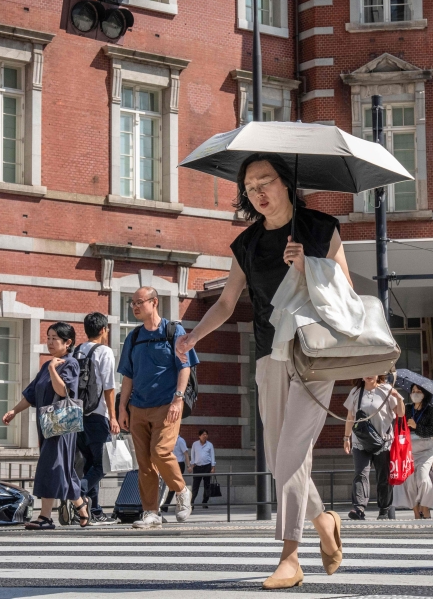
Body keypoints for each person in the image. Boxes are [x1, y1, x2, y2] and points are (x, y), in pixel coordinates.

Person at [174, 153, 345, 589]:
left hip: (314, 353)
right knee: (279, 453)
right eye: (250, 188)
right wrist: (194, 337)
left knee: (291, 451)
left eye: (265, 181)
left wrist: (309, 264)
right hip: (271, 355)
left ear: (285, 182)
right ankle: (323, 519)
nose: (258, 192)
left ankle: (290, 557)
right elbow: (228, 302)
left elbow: (345, 291)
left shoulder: (321, 228)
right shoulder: (247, 244)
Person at [117, 288, 196, 528]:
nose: (135, 307)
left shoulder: (173, 331)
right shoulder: (134, 337)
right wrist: (122, 408)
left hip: (167, 404)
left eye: (139, 302)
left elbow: (185, 366)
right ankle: (151, 512)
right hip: (138, 407)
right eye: (132, 303)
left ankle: (181, 490)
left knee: (160, 452)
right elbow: (128, 376)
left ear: (154, 302)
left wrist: (178, 398)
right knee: (144, 463)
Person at [2, 322, 90, 530]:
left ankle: (45, 517)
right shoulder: (45, 366)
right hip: (47, 424)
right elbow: (31, 394)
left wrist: (53, 368)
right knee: (62, 468)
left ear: (67, 343)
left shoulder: (70, 364)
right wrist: (14, 411)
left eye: (54, 338)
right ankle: (81, 504)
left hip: (62, 425)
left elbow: (63, 391)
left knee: (50, 466)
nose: (49, 342)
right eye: (48, 337)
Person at [73, 312, 120, 525]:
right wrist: (114, 417)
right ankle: (77, 495)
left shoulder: (77, 351)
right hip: (97, 415)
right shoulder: (104, 352)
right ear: (103, 330)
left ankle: (95, 511)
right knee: (102, 466)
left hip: (77, 415)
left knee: (90, 464)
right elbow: (109, 388)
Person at [343, 375, 405, 520]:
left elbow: (400, 413)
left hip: (382, 442)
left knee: (384, 477)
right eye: (366, 371)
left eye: (373, 371)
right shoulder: (355, 392)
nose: (369, 374)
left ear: (379, 374)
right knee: (360, 474)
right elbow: (350, 417)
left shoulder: (386, 390)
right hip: (361, 441)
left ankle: (384, 510)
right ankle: (359, 508)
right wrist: (346, 438)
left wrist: (400, 398)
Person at [395, 384, 433, 519]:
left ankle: (425, 507)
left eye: (419, 391)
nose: (415, 393)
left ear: (425, 394)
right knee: (409, 481)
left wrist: (417, 426)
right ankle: (416, 511)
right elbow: (399, 423)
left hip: (426, 450)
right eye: (413, 391)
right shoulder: (407, 409)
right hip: (408, 449)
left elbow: (432, 431)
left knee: (423, 478)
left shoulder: (431, 411)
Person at [162, 434, 189, 513]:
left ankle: (171, 504)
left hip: (180, 464)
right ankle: (171, 504)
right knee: (173, 485)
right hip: (172, 464)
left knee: (176, 484)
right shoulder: (169, 439)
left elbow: (186, 453)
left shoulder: (180, 441)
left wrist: (188, 465)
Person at [189, 429, 216, 507]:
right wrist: (192, 464)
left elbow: (212, 456)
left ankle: (205, 502)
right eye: (203, 434)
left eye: (206, 434)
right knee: (195, 486)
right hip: (197, 467)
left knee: (207, 485)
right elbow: (192, 454)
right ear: (199, 436)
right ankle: (192, 502)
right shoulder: (195, 444)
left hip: (207, 466)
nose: (205, 436)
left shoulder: (210, 445)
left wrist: (213, 467)